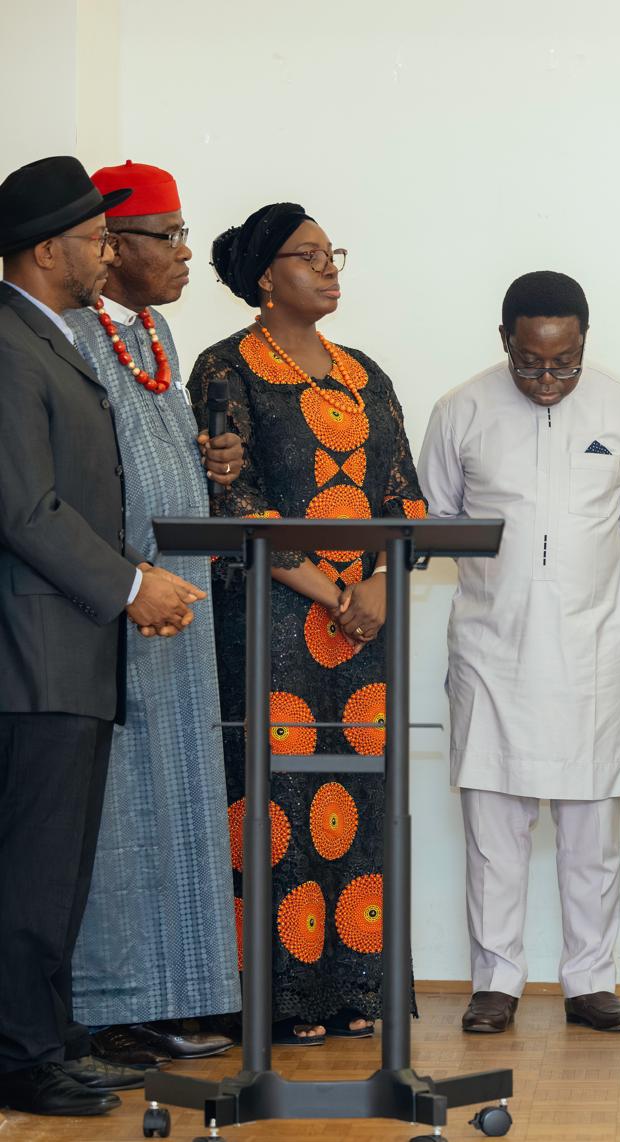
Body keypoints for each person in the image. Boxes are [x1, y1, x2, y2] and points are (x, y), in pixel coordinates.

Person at [189, 202, 427, 1046]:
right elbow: (235, 503)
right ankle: (281, 998)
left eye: (333, 254)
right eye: (308, 255)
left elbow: (406, 500)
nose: (329, 269)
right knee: (277, 800)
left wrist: (380, 586)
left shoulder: (366, 375)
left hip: (364, 632)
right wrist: (335, 592)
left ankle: (356, 986)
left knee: (361, 798)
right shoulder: (226, 368)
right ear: (265, 277)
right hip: (272, 623)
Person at [0, 155, 205, 1117]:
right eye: (91, 241)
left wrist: (137, 579)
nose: (104, 255)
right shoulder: (9, 345)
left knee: (58, 871)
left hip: (71, 651)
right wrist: (130, 586)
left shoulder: (51, 338)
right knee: (32, 868)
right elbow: (25, 510)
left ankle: (51, 1039)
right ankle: (21, 1057)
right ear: (47, 251)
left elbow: (79, 498)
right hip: (32, 656)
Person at [419, 271, 620, 1035]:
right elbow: (438, 519)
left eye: (564, 363)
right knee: (494, 833)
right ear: (505, 342)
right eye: (530, 364)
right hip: (494, 648)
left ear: (584, 343)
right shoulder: (460, 410)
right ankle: (496, 983)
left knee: (592, 835)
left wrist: (568, 583)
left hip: (592, 648)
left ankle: (590, 982)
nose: (547, 379)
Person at [61, 161, 242, 1073]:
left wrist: (208, 461)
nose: (183, 253)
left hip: (181, 601)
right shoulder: (70, 334)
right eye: (165, 237)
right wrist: (129, 581)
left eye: (182, 234)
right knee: (124, 812)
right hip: (120, 602)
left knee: (180, 801)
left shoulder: (157, 332)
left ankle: (176, 994)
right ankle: (112, 1008)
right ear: (111, 247)